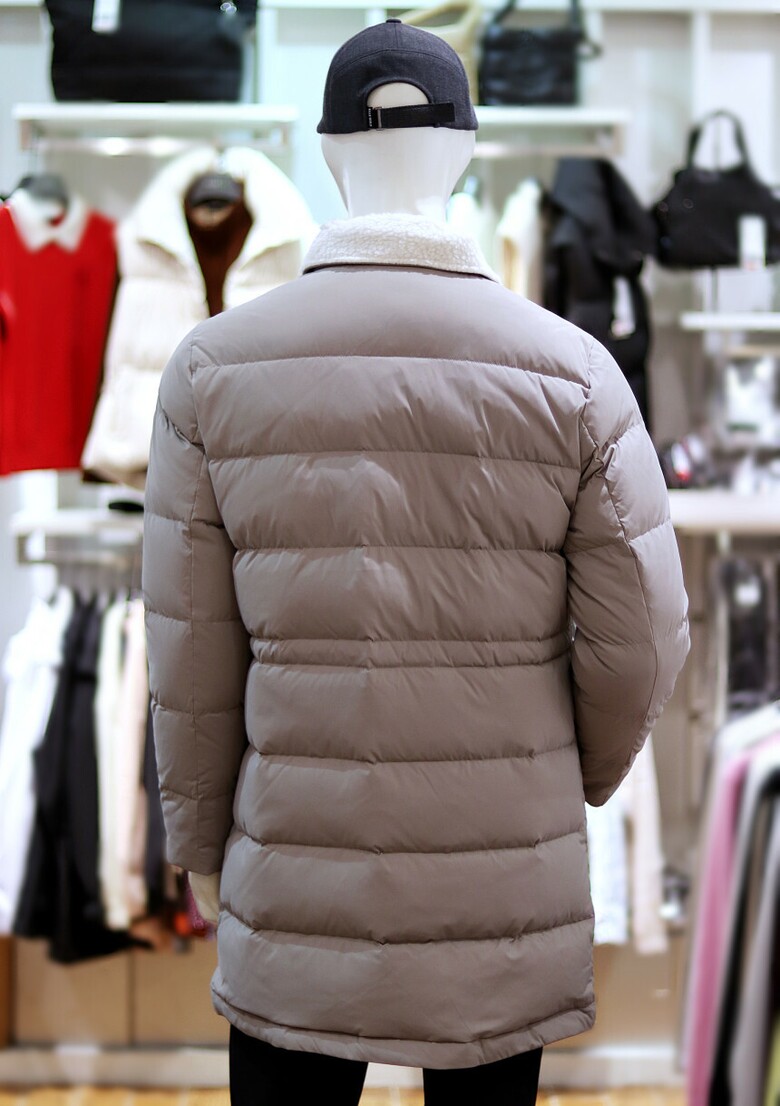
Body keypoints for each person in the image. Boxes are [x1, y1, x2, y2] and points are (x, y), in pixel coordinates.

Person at [142, 20, 690, 1106]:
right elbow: (644, 641)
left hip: (294, 880)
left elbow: (189, 653)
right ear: (468, 151)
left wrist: (200, 842)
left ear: (328, 152)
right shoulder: (575, 373)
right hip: (503, 882)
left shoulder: (210, 369)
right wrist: (562, 780)